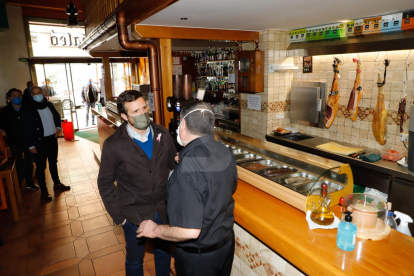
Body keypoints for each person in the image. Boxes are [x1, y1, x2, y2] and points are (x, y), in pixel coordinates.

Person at [137, 102, 238, 276]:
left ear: (182, 124)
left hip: (199, 261)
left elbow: (189, 231)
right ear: (211, 124)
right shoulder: (225, 151)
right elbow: (229, 187)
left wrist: (153, 229)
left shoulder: (185, 169)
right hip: (226, 246)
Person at [98, 90, 176, 276]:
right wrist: (121, 218)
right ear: (125, 116)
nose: (142, 114)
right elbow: (105, 183)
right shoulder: (114, 145)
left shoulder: (162, 134)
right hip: (134, 214)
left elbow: (174, 166)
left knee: (164, 254)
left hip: (164, 209)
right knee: (134, 261)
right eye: (135, 112)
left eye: (144, 108)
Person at [21, 86, 70, 201]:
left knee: (53, 162)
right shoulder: (28, 109)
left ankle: (57, 183)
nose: (37, 95)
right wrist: (31, 145)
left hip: (52, 139)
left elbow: (56, 116)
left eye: (39, 92)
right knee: (41, 166)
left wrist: (58, 129)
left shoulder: (48, 105)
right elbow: (26, 129)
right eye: (34, 93)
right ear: (31, 95)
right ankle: (44, 191)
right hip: (38, 142)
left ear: (42, 93)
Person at [0, 88, 38, 190]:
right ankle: (19, 182)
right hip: (14, 140)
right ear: (9, 98)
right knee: (18, 162)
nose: (17, 98)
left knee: (29, 161)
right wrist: (2, 130)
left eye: (19, 96)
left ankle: (30, 182)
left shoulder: (26, 108)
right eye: (14, 96)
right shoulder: (4, 111)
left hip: (28, 140)